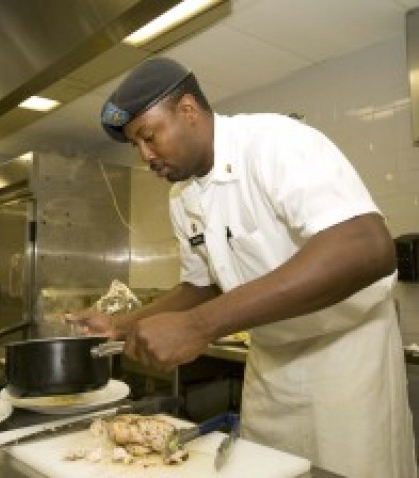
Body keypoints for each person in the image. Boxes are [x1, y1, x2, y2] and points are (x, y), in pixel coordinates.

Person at [69, 57, 416, 477]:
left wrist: (199, 326)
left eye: (149, 136)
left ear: (188, 110)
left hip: (343, 356)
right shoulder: (183, 197)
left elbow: (365, 247)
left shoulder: (275, 143)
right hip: (270, 363)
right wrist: (120, 325)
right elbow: (203, 287)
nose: (145, 155)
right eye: (136, 145)